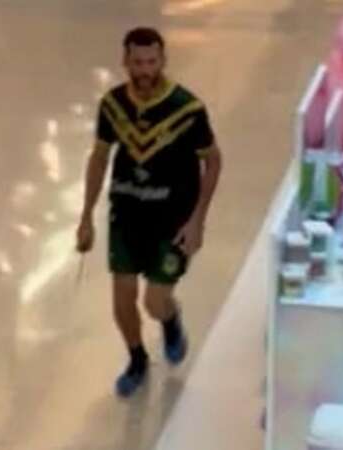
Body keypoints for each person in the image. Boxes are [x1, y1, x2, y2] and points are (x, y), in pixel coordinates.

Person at [77, 27, 223, 397]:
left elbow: (213, 161)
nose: (144, 70)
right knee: (122, 300)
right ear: (125, 61)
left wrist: (197, 221)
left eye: (152, 62)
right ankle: (137, 358)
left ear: (163, 60)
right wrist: (86, 215)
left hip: (172, 222)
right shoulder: (112, 106)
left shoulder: (187, 109)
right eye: (137, 62)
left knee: (154, 301)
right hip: (126, 216)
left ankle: (170, 320)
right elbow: (99, 158)